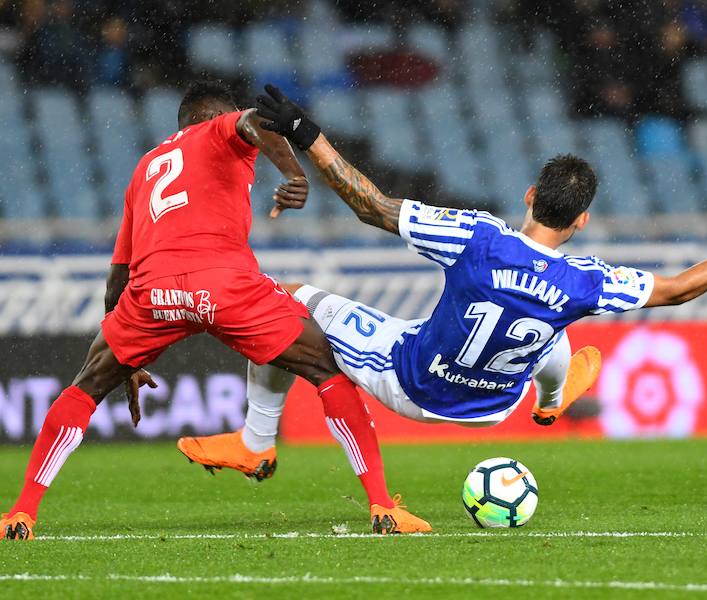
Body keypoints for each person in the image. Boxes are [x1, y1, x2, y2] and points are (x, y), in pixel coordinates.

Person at [176, 85, 707, 475]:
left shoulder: (477, 237)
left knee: (285, 302)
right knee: (556, 314)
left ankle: (255, 442)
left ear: (532, 193)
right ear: (580, 219)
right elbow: (680, 288)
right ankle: (550, 399)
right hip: (495, 406)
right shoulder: (584, 277)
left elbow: (369, 204)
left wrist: (309, 134)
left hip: (415, 382)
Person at [1, 81, 429, 541]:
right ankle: (383, 506)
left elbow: (117, 278)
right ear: (209, 116)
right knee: (327, 370)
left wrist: (125, 351)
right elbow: (258, 120)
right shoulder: (218, 128)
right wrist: (293, 174)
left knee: (83, 390)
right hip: (222, 283)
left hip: (153, 294)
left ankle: (21, 513)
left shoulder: (145, 168)